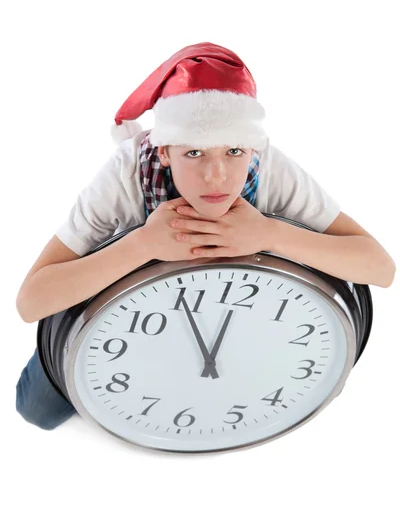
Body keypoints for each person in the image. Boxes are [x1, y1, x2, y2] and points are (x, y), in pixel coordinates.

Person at [15, 41, 395, 431]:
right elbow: (31, 303)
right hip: (140, 309)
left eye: (233, 151)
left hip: (232, 306)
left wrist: (270, 234)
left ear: (251, 146)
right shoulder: (125, 174)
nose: (217, 176)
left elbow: (380, 268)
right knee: (37, 410)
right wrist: (142, 244)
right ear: (164, 151)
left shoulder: (270, 167)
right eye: (194, 154)